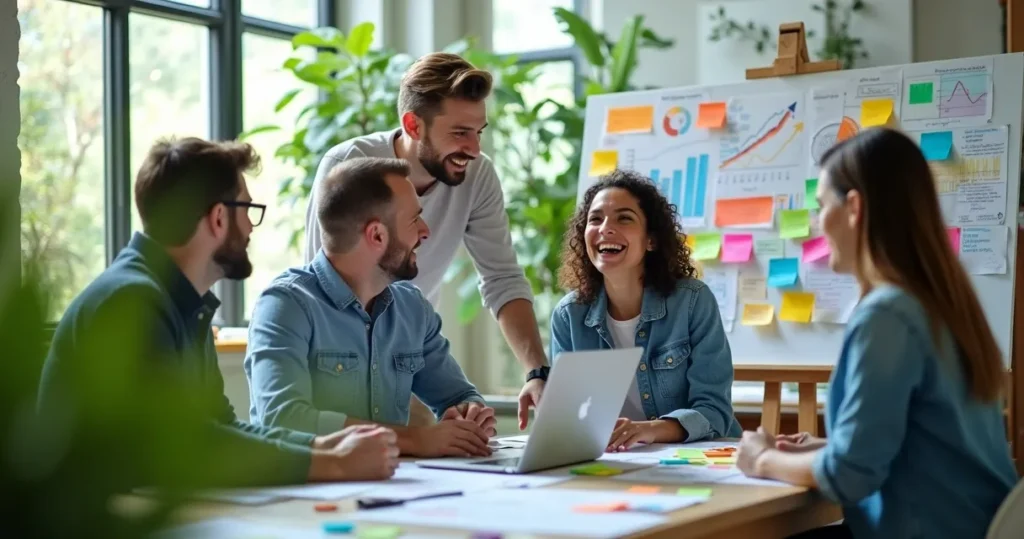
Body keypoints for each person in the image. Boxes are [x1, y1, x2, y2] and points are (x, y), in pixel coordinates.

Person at [36, 137, 400, 486]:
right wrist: (332, 464)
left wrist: (319, 446)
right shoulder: (131, 301)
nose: (250, 229)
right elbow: (184, 449)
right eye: (249, 211)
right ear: (219, 218)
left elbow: (217, 425)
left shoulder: (182, 302)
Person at [735, 128, 1019, 539]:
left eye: (821, 206)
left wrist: (761, 458)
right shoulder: (941, 304)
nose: (816, 224)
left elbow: (849, 477)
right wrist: (822, 448)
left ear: (854, 208)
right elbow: (922, 448)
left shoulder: (887, 315)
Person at [302, 52, 547, 430]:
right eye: (459, 133)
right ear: (413, 125)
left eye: (478, 132)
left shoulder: (477, 175)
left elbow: (502, 277)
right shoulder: (351, 163)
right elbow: (323, 284)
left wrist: (536, 371)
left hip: (410, 352)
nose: (474, 149)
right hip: (339, 364)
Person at [247, 157, 497, 459]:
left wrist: (470, 414)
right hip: (308, 496)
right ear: (377, 235)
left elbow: (458, 396)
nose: (425, 231)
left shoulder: (412, 308)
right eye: (414, 219)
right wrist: (414, 440)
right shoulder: (286, 305)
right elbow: (283, 418)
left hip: (396, 491)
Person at [550, 169, 741, 452]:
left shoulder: (693, 302)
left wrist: (649, 430)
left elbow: (715, 412)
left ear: (651, 240)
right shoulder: (568, 316)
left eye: (624, 218)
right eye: (595, 219)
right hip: (615, 463)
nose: (605, 228)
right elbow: (569, 420)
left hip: (701, 459)